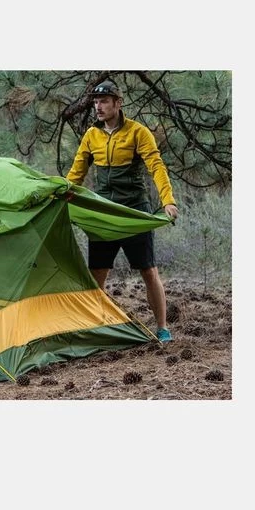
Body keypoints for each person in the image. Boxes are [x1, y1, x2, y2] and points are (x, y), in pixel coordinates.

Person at [66, 79, 179, 342]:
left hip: (133, 212)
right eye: (96, 102)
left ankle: (162, 328)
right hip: (103, 213)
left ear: (118, 103)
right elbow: (76, 173)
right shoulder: (91, 135)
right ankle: (97, 326)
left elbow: (156, 166)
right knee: (97, 273)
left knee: (148, 271)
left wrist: (168, 201)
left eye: (104, 101)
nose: (98, 106)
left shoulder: (138, 132)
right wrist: (62, 194)